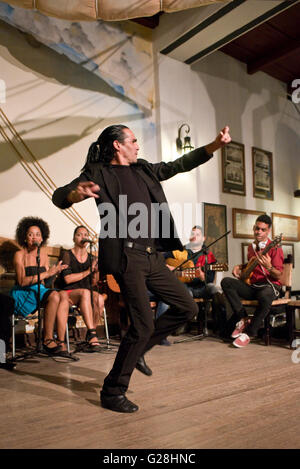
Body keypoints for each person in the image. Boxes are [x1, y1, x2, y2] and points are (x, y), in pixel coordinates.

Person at [52, 124, 231, 413]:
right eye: (133, 141)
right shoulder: (98, 173)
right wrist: (76, 194)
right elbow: (59, 196)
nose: (137, 146)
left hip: (152, 257)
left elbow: (179, 164)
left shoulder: (144, 169)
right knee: (143, 324)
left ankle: (138, 352)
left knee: (187, 307)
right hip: (125, 257)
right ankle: (112, 390)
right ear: (117, 146)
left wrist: (214, 145)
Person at [10, 217, 72, 357]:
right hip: (23, 293)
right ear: (25, 238)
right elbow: (21, 281)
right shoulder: (19, 255)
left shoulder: (43, 255)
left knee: (63, 295)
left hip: (39, 290)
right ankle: (47, 339)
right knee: (55, 295)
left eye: (38, 234)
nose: (34, 237)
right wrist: (47, 273)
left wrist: (55, 273)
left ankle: (60, 341)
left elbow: (46, 283)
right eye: (30, 234)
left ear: (42, 237)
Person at [221, 214, 284, 348]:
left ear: (268, 231)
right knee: (226, 281)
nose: (259, 232)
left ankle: (249, 333)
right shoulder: (252, 248)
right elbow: (251, 263)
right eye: (257, 228)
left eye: (263, 229)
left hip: (270, 286)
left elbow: (278, 275)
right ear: (253, 228)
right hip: (253, 286)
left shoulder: (276, 248)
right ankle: (243, 318)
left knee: (265, 296)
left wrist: (269, 267)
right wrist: (239, 266)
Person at [58, 225, 105, 352]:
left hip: (85, 292)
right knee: (85, 293)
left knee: (100, 299)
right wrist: (88, 271)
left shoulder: (91, 257)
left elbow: (94, 282)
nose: (82, 237)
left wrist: (95, 271)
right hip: (68, 292)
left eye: (85, 235)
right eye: (79, 234)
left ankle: (91, 336)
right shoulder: (67, 254)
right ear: (74, 238)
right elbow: (67, 279)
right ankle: (93, 334)